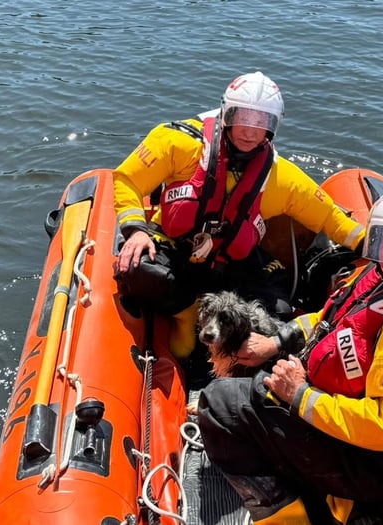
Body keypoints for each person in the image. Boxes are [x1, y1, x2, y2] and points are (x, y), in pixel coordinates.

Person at [196, 177, 383, 524]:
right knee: (257, 381)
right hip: (344, 406)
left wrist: (299, 396)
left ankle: (292, 516)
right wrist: (275, 343)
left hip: (373, 458)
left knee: (219, 404)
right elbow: (329, 320)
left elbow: (380, 426)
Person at [113, 71, 365, 360]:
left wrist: (376, 245)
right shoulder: (179, 144)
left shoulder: (280, 178)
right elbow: (127, 179)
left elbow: (330, 217)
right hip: (174, 244)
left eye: (261, 122)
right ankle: (186, 313)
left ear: (273, 127)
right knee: (136, 270)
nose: (249, 130)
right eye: (242, 117)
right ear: (226, 114)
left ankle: (237, 363)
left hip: (229, 262)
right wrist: (136, 230)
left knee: (278, 311)